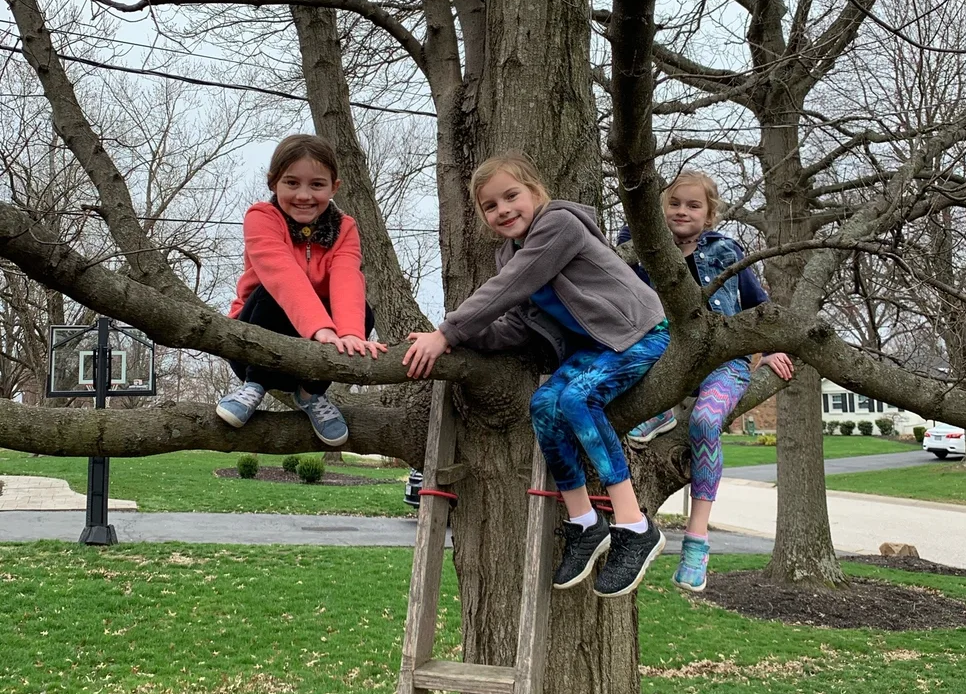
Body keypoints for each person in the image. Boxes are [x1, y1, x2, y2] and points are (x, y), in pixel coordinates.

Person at [403, 153, 670, 598]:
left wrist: (446, 331)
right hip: (594, 350)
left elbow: (510, 287)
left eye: (512, 196)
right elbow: (517, 323)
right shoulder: (511, 254)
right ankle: (586, 523)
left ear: (536, 192)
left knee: (575, 400)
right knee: (544, 405)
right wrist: (459, 340)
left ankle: (634, 525)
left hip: (637, 332)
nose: (504, 209)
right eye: (491, 206)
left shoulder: (559, 225)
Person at [617, 169, 792, 592]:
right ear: (658, 211)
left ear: (709, 214)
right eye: (673, 203)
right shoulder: (638, 250)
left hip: (723, 362)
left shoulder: (727, 251)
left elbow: (758, 306)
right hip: (662, 356)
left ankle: (696, 540)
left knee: (705, 423)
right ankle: (657, 412)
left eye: (693, 205)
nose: (682, 211)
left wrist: (770, 349)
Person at [216, 134, 385, 445]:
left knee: (362, 311)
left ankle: (311, 393)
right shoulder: (262, 218)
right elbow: (283, 275)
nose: (304, 195)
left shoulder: (344, 228)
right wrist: (320, 328)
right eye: (291, 183)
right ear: (273, 184)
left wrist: (350, 333)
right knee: (272, 294)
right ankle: (254, 386)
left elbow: (347, 276)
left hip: (312, 357)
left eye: (316, 185)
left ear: (334, 187)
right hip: (252, 343)